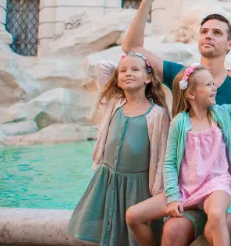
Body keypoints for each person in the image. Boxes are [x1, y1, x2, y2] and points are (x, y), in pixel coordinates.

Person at [122, 0, 231, 245]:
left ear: (230, 44)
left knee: (217, 228)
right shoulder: (181, 77)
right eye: (204, 31)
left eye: (217, 33)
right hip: (191, 181)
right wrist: (147, 1)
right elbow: (132, 49)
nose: (209, 35)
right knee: (172, 232)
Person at [124, 65, 231, 246]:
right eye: (208, 85)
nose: (215, 88)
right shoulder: (179, 122)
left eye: (214, 84)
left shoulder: (222, 113)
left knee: (217, 214)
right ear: (191, 94)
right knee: (133, 215)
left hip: (216, 184)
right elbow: (170, 163)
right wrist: (172, 198)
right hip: (185, 189)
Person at [67, 53, 170, 246]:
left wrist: (159, 191)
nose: (127, 74)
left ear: (148, 78)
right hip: (108, 179)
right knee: (109, 233)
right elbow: (102, 65)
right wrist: (131, 62)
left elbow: (161, 157)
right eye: (123, 71)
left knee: (133, 238)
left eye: (135, 70)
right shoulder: (114, 102)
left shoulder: (158, 114)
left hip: (137, 185)